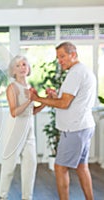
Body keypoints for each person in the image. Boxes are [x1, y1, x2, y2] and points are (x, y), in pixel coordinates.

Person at [30, 42, 96, 200]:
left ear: (73, 54)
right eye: (58, 57)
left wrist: (37, 98)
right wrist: (54, 97)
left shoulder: (75, 73)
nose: (60, 60)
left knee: (60, 167)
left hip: (74, 129)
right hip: (84, 126)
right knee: (81, 166)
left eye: (62, 56)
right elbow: (69, 100)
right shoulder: (82, 71)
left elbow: (64, 104)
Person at [0, 55, 46, 200]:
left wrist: (44, 102)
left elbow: (33, 110)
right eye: (18, 66)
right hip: (15, 129)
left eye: (24, 64)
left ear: (28, 68)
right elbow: (14, 112)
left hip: (29, 129)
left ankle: (27, 196)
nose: (21, 68)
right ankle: (2, 195)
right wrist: (30, 100)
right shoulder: (12, 88)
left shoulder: (31, 88)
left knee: (31, 163)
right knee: (9, 165)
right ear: (13, 70)